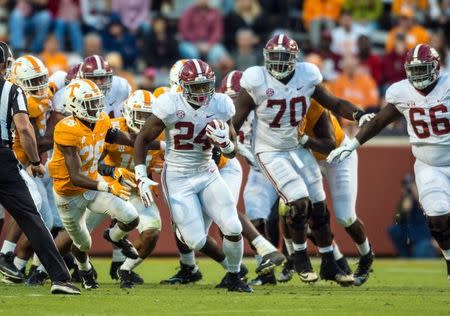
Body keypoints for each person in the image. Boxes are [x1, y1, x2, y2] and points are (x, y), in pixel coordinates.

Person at [233, 34, 373, 285]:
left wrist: (358, 114)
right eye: (273, 57)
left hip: (297, 147)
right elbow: (236, 119)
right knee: (298, 201)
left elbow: (334, 102)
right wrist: (225, 142)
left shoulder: (307, 77)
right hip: (270, 150)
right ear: (265, 58)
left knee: (319, 207)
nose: (277, 63)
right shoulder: (255, 80)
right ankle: (299, 258)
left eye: (283, 57)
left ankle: (330, 263)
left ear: (294, 59)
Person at [327, 44, 450, 281]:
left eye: (423, 69)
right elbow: (379, 121)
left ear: (435, 68)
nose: (418, 75)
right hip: (428, 163)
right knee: (436, 216)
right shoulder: (402, 92)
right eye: (413, 70)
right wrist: (351, 145)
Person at [134, 59, 252, 293]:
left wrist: (224, 143)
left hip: (207, 171)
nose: (201, 92)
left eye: (205, 85)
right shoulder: (169, 103)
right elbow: (142, 139)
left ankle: (234, 276)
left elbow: (232, 150)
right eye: (195, 87)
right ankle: (197, 254)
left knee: (233, 226)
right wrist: (140, 174)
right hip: (177, 176)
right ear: (183, 85)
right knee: (196, 241)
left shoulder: (221, 103)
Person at [0, 43, 79, 295]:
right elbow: (24, 129)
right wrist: (35, 161)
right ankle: (57, 277)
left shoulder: (34, 90)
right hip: (6, 159)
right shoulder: (12, 89)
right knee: (33, 215)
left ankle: (10, 260)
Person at [48, 78, 141, 289]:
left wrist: (159, 144)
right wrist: (108, 185)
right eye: (90, 103)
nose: (97, 107)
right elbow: (75, 176)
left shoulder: (101, 120)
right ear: (74, 105)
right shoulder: (66, 129)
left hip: (94, 184)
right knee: (83, 244)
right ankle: (84, 269)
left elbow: (129, 139)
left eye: (98, 102)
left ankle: (116, 237)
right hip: (69, 194)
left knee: (131, 218)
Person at [99, 90, 163, 288]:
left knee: (152, 232)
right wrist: (110, 170)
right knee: (77, 233)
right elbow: (93, 163)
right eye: (140, 115)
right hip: (106, 187)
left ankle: (124, 268)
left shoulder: (162, 132)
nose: (144, 121)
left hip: (135, 190)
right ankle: (42, 269)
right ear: (128, 112)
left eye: (148, 116)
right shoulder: (113, 128)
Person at [388, 174, 437, 258]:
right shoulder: (404, 201)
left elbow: (437, 220)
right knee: (393, 230)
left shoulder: (426, 200)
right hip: (408, 235)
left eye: (412, 186)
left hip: (423, 237)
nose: (408, 189)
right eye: (405, 186)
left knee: (421, 253)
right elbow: (396, 220)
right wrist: (403, 210)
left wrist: (437, 238)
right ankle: (404, 256)